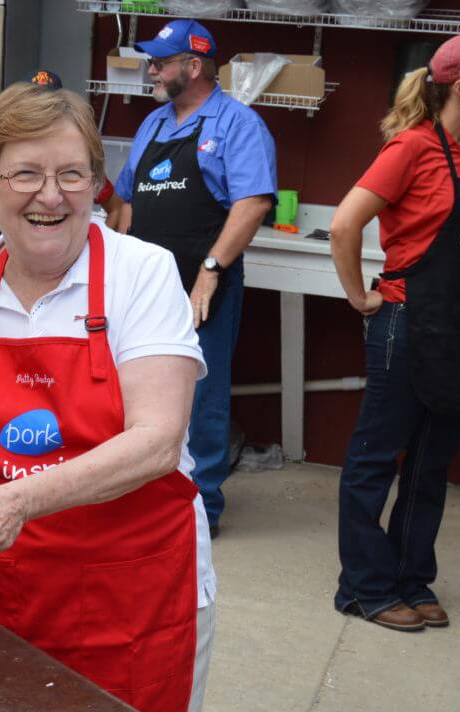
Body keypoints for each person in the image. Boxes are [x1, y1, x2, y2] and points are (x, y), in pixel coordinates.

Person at [0, 83, 216, 712]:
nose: (51, 195)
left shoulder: (143, 274)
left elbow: (158, 440)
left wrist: (18, 498)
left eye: (71, 173)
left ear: (96, 186)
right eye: (25, 173)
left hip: (132, 596)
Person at [115, 19, 277, 537]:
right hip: (142, 285)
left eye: (161, 62)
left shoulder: (238, 124)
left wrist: (209, 273)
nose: (152, 70)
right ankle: (136, 492)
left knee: (201, 395)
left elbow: (252, 203)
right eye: (151, 61)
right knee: (133, 388)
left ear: (194, 65)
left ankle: (199, 508)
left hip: (202, 287)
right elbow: (126, 201)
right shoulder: (154, 124)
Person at [329, 35, 460, 632]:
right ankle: (364, 586)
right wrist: (361, 297)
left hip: (454, 328)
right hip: (404, 322)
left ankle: (411, 579)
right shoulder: (412, 147)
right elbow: (344, 224)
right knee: (375, 459)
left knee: (430, 464)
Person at [0, 69, 125, 231]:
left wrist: (101, 241)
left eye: (49, 106)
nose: (50, 198)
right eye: (25, 173)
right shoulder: (3, 152)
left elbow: (115, 207)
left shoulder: (78, 163)